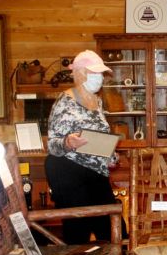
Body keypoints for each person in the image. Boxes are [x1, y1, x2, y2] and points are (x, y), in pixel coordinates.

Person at [45, 50, 117, 244]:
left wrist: (110, 155)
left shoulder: (97, 101)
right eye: (94, 73)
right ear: (80, 74)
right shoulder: (65, 102)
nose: (99, 78)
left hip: (95, 172)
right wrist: (67, 142)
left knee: (113, 230)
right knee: (78, 233)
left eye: (101, 73)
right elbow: (52, 145)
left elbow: (99, 137)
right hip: (68, 171)